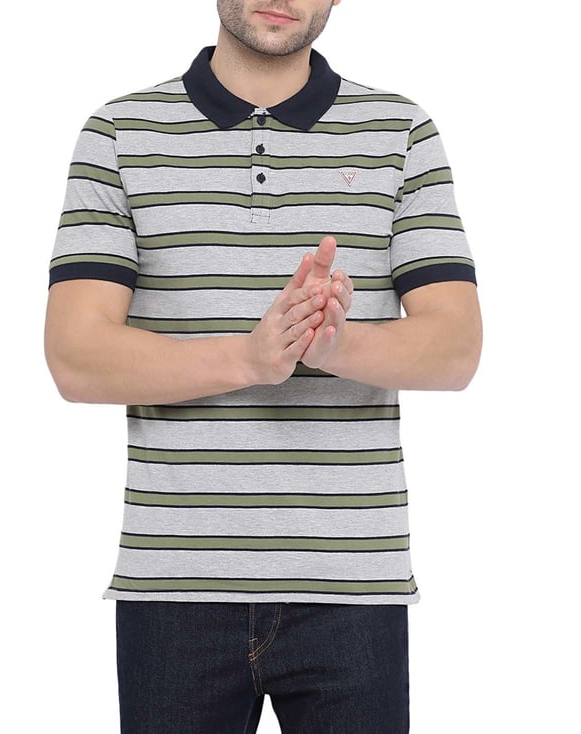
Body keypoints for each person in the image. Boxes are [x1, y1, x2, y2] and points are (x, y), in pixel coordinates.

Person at [44, 1, 482, 731]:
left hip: (351, 585)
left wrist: (333, 346)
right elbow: (74, 358)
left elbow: (457, 349)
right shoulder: (120, 132)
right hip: (175, 586)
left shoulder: (400, 130)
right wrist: (250, 358)